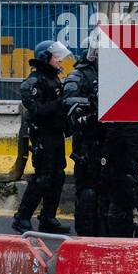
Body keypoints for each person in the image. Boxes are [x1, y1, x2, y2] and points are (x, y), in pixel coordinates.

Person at [12, 39, 73, 234]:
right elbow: (37, 110)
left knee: (57, 176)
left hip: (56, 135)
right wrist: (61, 103)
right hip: (42, 136)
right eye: (56, 57)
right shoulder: (33, 82)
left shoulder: (54, 78)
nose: (60, 61)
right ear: (45, 58)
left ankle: (48, 218)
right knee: (43, 178)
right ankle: (22, 218)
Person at [61, 40, 105, 236]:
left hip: (108, 141)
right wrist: (94, 104)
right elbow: (67, 100)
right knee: (88, 191)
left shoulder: (117, 73)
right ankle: (85, 235)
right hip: (87, 140)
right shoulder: (80, 75)